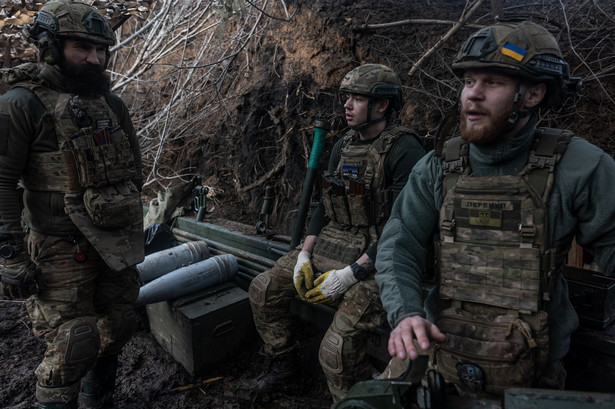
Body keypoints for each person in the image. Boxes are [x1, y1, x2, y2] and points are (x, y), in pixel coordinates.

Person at [375, 20, 615, 397]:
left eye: (493, 82)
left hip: (533, 375)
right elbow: (398, 244)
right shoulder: (438, 165)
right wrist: (405, 314)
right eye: (469, 81)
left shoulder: (581, 167)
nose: (473, 94)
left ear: (534, 94)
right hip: (437, 355)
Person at [247, 63, 426, 401]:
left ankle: (355, 399)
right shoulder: (341, 146)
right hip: (333, 244)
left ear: (382, 105)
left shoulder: (404, 151)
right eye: (347, 97)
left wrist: (352, 273)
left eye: (357, 99)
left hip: (380, 260)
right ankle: (283, 364)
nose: (346, 105)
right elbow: (323, 205)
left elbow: (404, 225)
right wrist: (303, 253)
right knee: (263, 288)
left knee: (336, 349)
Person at [0, 1, 144, 408]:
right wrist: (10, 252)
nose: (95, 59)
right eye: (83, 47)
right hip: (59, 247)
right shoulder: (20, 103)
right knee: (73, 344)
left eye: (101, 50)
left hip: (114, 244)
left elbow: (132, 171)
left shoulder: (111, 105)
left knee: (118, 326)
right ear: (50, 45)